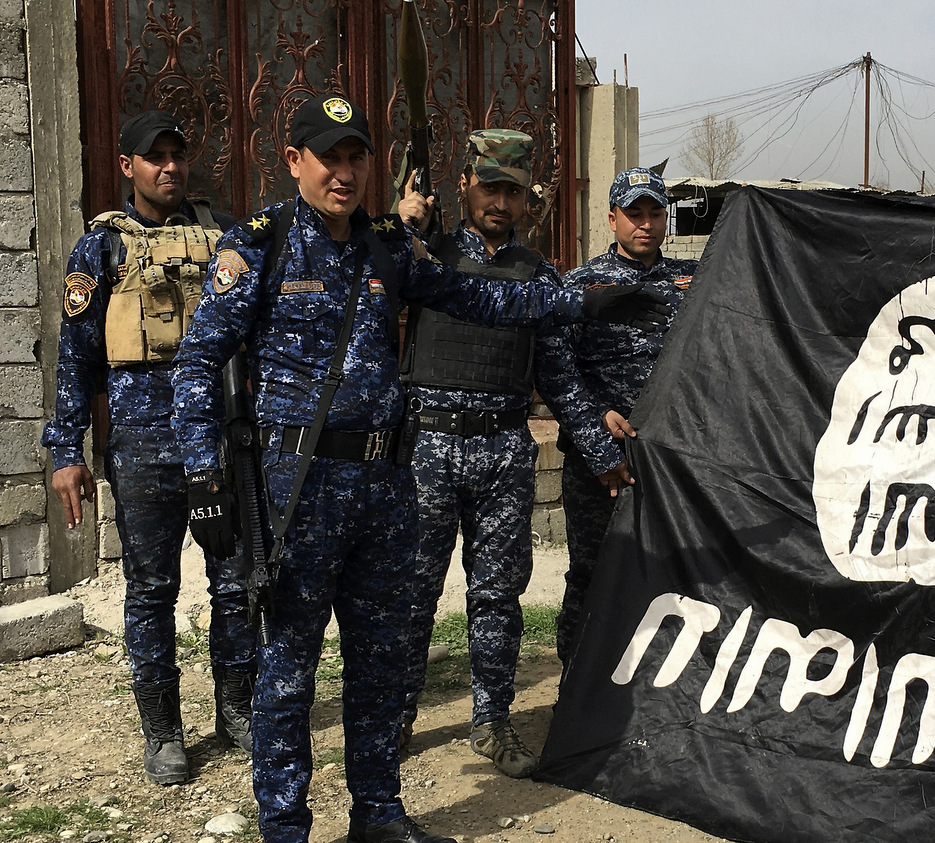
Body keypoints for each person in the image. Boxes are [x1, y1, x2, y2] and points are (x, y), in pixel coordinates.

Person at [171, 94, 668, 843]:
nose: (343, 173)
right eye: (328, 158)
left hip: (384, 488)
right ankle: (286, 825)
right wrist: (204, 474)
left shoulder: (385, 249)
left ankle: (377, 813)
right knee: (288, 670)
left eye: (355, 158)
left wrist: (576, 303)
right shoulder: (260, 246)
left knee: (382, 660)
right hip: (294, 490)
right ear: (295, 160)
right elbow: (198, 359)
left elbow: (474, 295)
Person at [41, 109, 254, 785]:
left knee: (236, 584)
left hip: (219, 441)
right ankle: (163, 730)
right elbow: (75, 357)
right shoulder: (99, 248)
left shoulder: (221, 236)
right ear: (128, 166)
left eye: (177, 155)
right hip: (141, 445)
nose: (169, 166)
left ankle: (237, 711)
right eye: (154, 156)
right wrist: (64, 451)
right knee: (152, 591)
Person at [395, 129, 550, 777]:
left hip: (503, 447)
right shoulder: (422, 253)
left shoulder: (537, 274)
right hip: (427, 442)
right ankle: (392, 717)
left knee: (496, 596)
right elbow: (362, 270)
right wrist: (400, 223)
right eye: (489, 186)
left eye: (512, 190)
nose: (499, 200)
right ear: (462, 184)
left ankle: (490, 720)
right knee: (409, 593)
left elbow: (558, 367)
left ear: (525, 199)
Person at [536, 167, 697, 664]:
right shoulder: (581, 286)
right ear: (612, 219)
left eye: (654, 212)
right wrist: (598, 420)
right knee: (592, 571)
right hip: (601, 461)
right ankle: (577, 686)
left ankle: (652, 688)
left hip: (670, 458)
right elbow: (556, 369)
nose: (645, 224)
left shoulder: (690, 283)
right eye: (634, 214)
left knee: (672, 572)